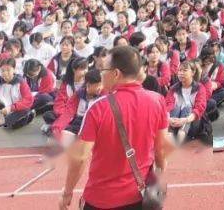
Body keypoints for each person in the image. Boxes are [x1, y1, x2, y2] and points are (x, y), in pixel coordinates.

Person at [60, 45, 172, 210]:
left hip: (102, 199)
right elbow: (161, 150)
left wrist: (67, 192)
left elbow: (81, 157)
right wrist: (159, 176)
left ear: (116, 73)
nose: (101, 74)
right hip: (140, 197)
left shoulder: (98, 108)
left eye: (103, 69)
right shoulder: (157, 101)